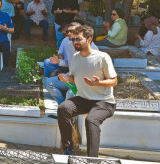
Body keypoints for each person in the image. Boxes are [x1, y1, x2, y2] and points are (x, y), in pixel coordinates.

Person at [58, 25, 117, 157]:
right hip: (83, 99)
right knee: (63, 109)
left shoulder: (102, 57)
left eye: (78, 39)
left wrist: (99, 82)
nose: (75, 42)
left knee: (91, 120)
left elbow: (114, 81)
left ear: (89, 39)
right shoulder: (75, 57)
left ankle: (92, 159)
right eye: (73, 40)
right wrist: (67, 78)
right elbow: (74, 78)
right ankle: (68, 150)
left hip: (104, 102)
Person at [44, 22, 100, 105]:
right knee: (48, 82)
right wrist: (59, 62)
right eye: (68, 31)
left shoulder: (93, 49)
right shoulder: (68, 43)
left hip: (85, 80)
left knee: (70, 93)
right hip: (71, 76)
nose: (69, 33)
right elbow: (68, 63)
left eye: (72, 31)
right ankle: (62, 106)